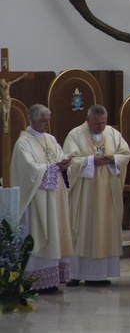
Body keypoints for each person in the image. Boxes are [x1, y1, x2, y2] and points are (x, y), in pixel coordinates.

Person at [63, 104, 130, 286]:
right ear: (88, 121)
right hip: (85, 194)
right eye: (97, 124)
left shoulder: (112, 134)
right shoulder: (75, 135)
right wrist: (91, 160)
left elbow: (125, 153)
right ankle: (76, 274)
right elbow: (69, 161)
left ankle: (100, 276)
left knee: (104, 229)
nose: (101, 127)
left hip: (108, 192)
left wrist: (113, 159)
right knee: (83, 228)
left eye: (103, 123)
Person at [10, 104, 73, 294]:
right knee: (39, 235)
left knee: (55, 233)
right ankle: (35, 280)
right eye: (44, 121)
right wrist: (53, 167)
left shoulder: (51, 139)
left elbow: (59, 157)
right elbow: (28, 170)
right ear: (33, 120)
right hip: (37, 200)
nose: (47, 124)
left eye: (48, 121)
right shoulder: (23, 143)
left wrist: (64, 164)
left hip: (54, 197)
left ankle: (52, 279)